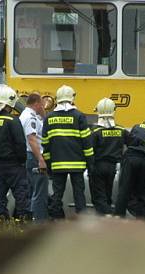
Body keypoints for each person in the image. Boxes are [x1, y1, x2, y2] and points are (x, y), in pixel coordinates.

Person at [42, 85, 94, 219]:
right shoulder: (79, 117)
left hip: (57, 165)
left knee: (57, 194)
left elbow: (45, 144)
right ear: (72, 99)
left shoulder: (49, 118)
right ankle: (81, 222)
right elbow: (87, 144)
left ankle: (56, 220)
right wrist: (90, 164)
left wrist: (49, 165)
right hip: (77, 165)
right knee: (79, 195)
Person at [0, 86, 31, 221]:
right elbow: (20, 143)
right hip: (14, 164)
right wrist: (22, 160)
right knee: (21, 193)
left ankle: (1, 220)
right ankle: (22, 220)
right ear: (10, 104)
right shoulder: (13, 121)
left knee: (0, 195)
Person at [114, 120, 145, 219]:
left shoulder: (137, 126)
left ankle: (119, 217)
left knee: (124, 190)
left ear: (144, 124)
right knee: (144, 193)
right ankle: (141, 220)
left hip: (131, 159)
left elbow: (128, 140)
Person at [89, 97, 130, 215]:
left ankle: (106, 218)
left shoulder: (95, 132)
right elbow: (133, 142)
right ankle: (108, 216)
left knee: (99, 197)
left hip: (98, 167)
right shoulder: (121, 130)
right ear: (114, 111)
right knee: (107, 195)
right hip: (113, 168)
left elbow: (89, 150)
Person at [19, 92, 50, 222]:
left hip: (31, 156)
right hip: (34, 156)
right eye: (42, 105)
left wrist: (43, 115)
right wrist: (41, 160)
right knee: (40, 192)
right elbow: (32, 139)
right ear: (37, 104)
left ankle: (33, 220)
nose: (43, 107)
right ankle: (39, 223)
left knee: (34, 191)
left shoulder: (28, 115)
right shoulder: (30, 117)